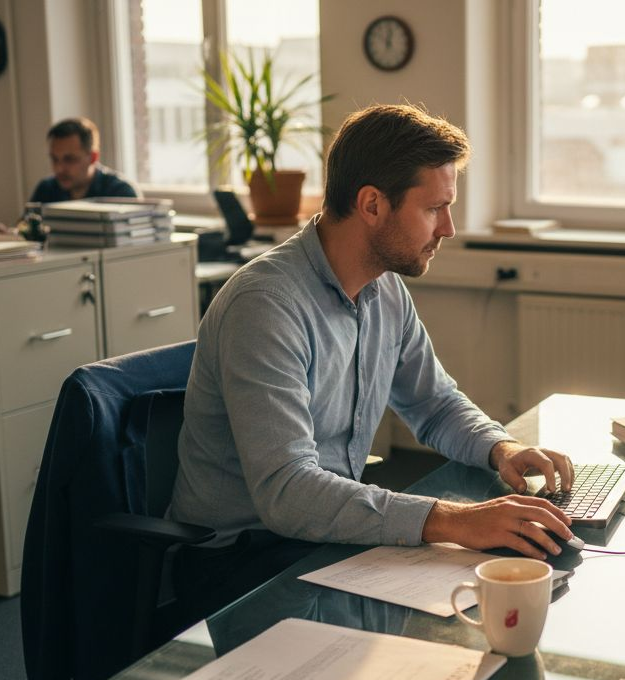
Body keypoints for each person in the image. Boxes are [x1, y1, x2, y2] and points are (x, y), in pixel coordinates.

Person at [168, 104, 576, 604]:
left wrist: (502, 448)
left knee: (491, 592)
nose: (447, 228)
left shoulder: (383, 290)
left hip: (318, 540)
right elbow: (287, 493)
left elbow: (434, 403)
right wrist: (456, 521)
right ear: (372, 205)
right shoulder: (266, 306)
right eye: (433, 208)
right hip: (241, 566)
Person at [28, 117, 138, 203]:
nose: (59, 168)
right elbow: (24, 229)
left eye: (70, 159)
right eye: (54, 159)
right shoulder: (46, 189)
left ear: (93, 157)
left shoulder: (120, 193)